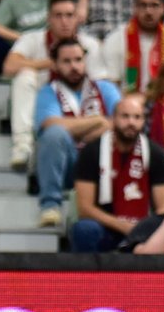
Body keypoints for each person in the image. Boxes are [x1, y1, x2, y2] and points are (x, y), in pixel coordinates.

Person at [3, 0, 102, 170]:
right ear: (48, 18)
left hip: (76, 106)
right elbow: (9, 67)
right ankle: (22, 147)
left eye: (69, 15)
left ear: (77, 18)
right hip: (38, 104)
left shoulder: (90, 45)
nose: (64, 21)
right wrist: (50, 63)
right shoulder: (32, 39)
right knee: (24, 75)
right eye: (58, 16)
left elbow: (101, 85)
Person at [32, 38, 118, 229]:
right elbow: (51, 124)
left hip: (102, 165)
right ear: (55, 64)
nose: (74, 66)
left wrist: (78, 131)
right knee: (54, 135)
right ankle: (50, 207)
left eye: (78, 60)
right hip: (69, 164)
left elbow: (122, 121)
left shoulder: (105, 89)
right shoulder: (48, 92)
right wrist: (98, 121)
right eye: (67, 61)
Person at [70, 91, 164, 252]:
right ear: (113, 119)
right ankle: (86, 277)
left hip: (144, 228)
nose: (131, 122)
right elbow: (85, 208)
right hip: (104, 226)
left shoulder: (156, 154)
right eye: (125, 116)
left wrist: (141, 229)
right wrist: (123, 226)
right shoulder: (91, 151)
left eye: (137, 117)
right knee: (84, 229)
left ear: (143, 121)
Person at [99, 0, 164, 94]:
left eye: (154, 5)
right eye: (143, 5)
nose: (148, 11)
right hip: (127, 104)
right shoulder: (115, 39)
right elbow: (112, 85)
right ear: (135, 8)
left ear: (163, 9)